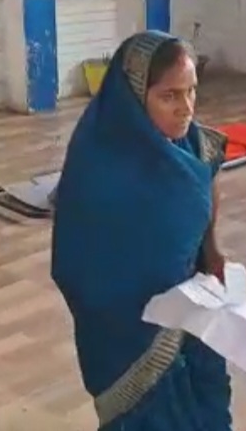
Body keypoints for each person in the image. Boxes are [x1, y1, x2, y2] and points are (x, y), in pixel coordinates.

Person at [50, 31, 232, 431]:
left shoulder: (190, 143)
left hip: (190, 313)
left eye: (192, 91)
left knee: (205, 408)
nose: (186, 108)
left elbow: (208, 175)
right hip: (129, 332)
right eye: (169, 96)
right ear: (134, 95)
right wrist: (153, 300)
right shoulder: (99, 165)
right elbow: (78, 266)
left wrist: (212, 250)